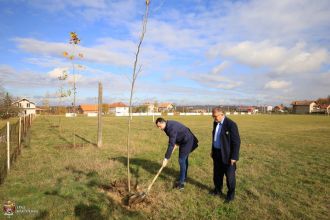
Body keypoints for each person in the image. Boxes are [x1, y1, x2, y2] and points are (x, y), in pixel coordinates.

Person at [155, 117, 198, 190]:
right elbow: (175, 137)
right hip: (183, 140)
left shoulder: (171, 128)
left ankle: (181, 183)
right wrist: (176, 143)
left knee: (182, 160)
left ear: (163, 123)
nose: (159, 128)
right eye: (158, 127)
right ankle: (183, 177)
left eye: (159, 126)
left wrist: (166, 158)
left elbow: (171, 144)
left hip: (187, 141)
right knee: (184, 159)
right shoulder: (167, 126)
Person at [210, 107, 240, 202]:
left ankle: (230, 195)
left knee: (230, 177)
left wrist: (234, 157)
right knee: (217, 174)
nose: (214, 118)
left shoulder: (231, 124)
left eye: (215, 116)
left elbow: (236, 142)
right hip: (217, 153)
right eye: (212, 116)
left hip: (228, 155)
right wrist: (212, 149)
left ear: (222, 114)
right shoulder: (215, 123)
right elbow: (215, 137)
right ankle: (217, 190)